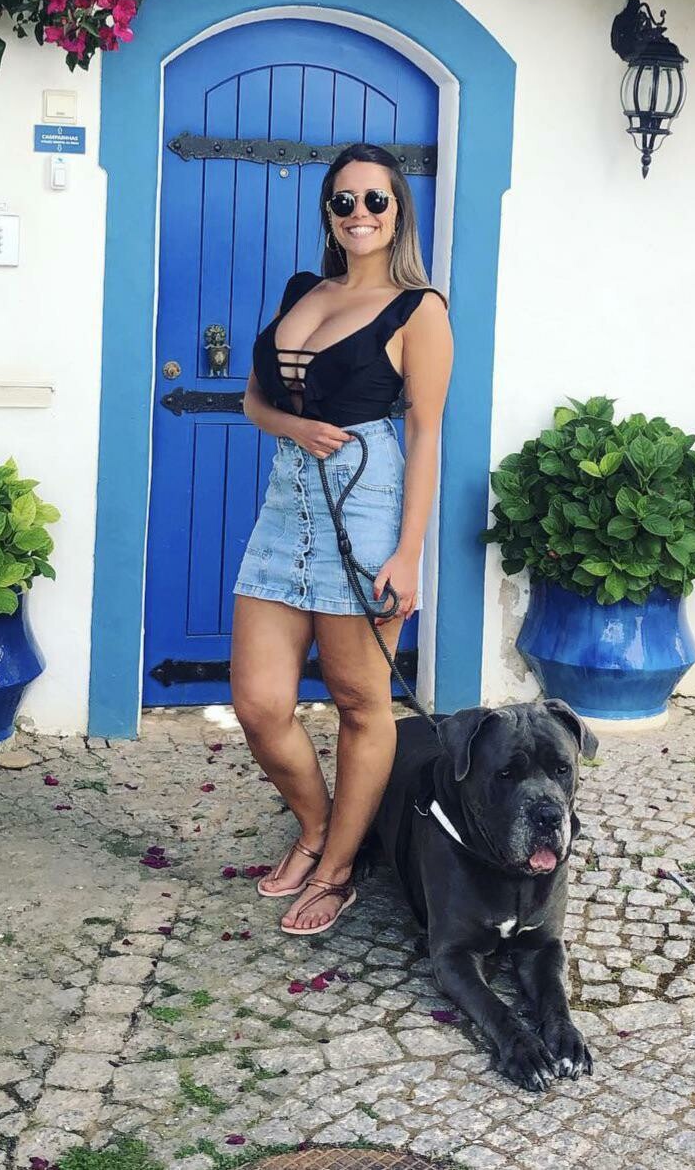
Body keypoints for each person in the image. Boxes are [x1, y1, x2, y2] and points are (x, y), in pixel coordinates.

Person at [230, 143, 453, 935]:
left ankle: (335, 870)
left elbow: (425, 434)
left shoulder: (419, 308)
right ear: (328, 213)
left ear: (398, 213)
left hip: (368, 507)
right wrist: (293, 426)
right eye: (344, 201)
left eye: (375, 200)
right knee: (259, 703)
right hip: (284, 507)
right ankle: (319, 826)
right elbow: (255, 401)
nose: (359, 213)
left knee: (361, 702)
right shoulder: (304, 291)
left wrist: (408, 554)